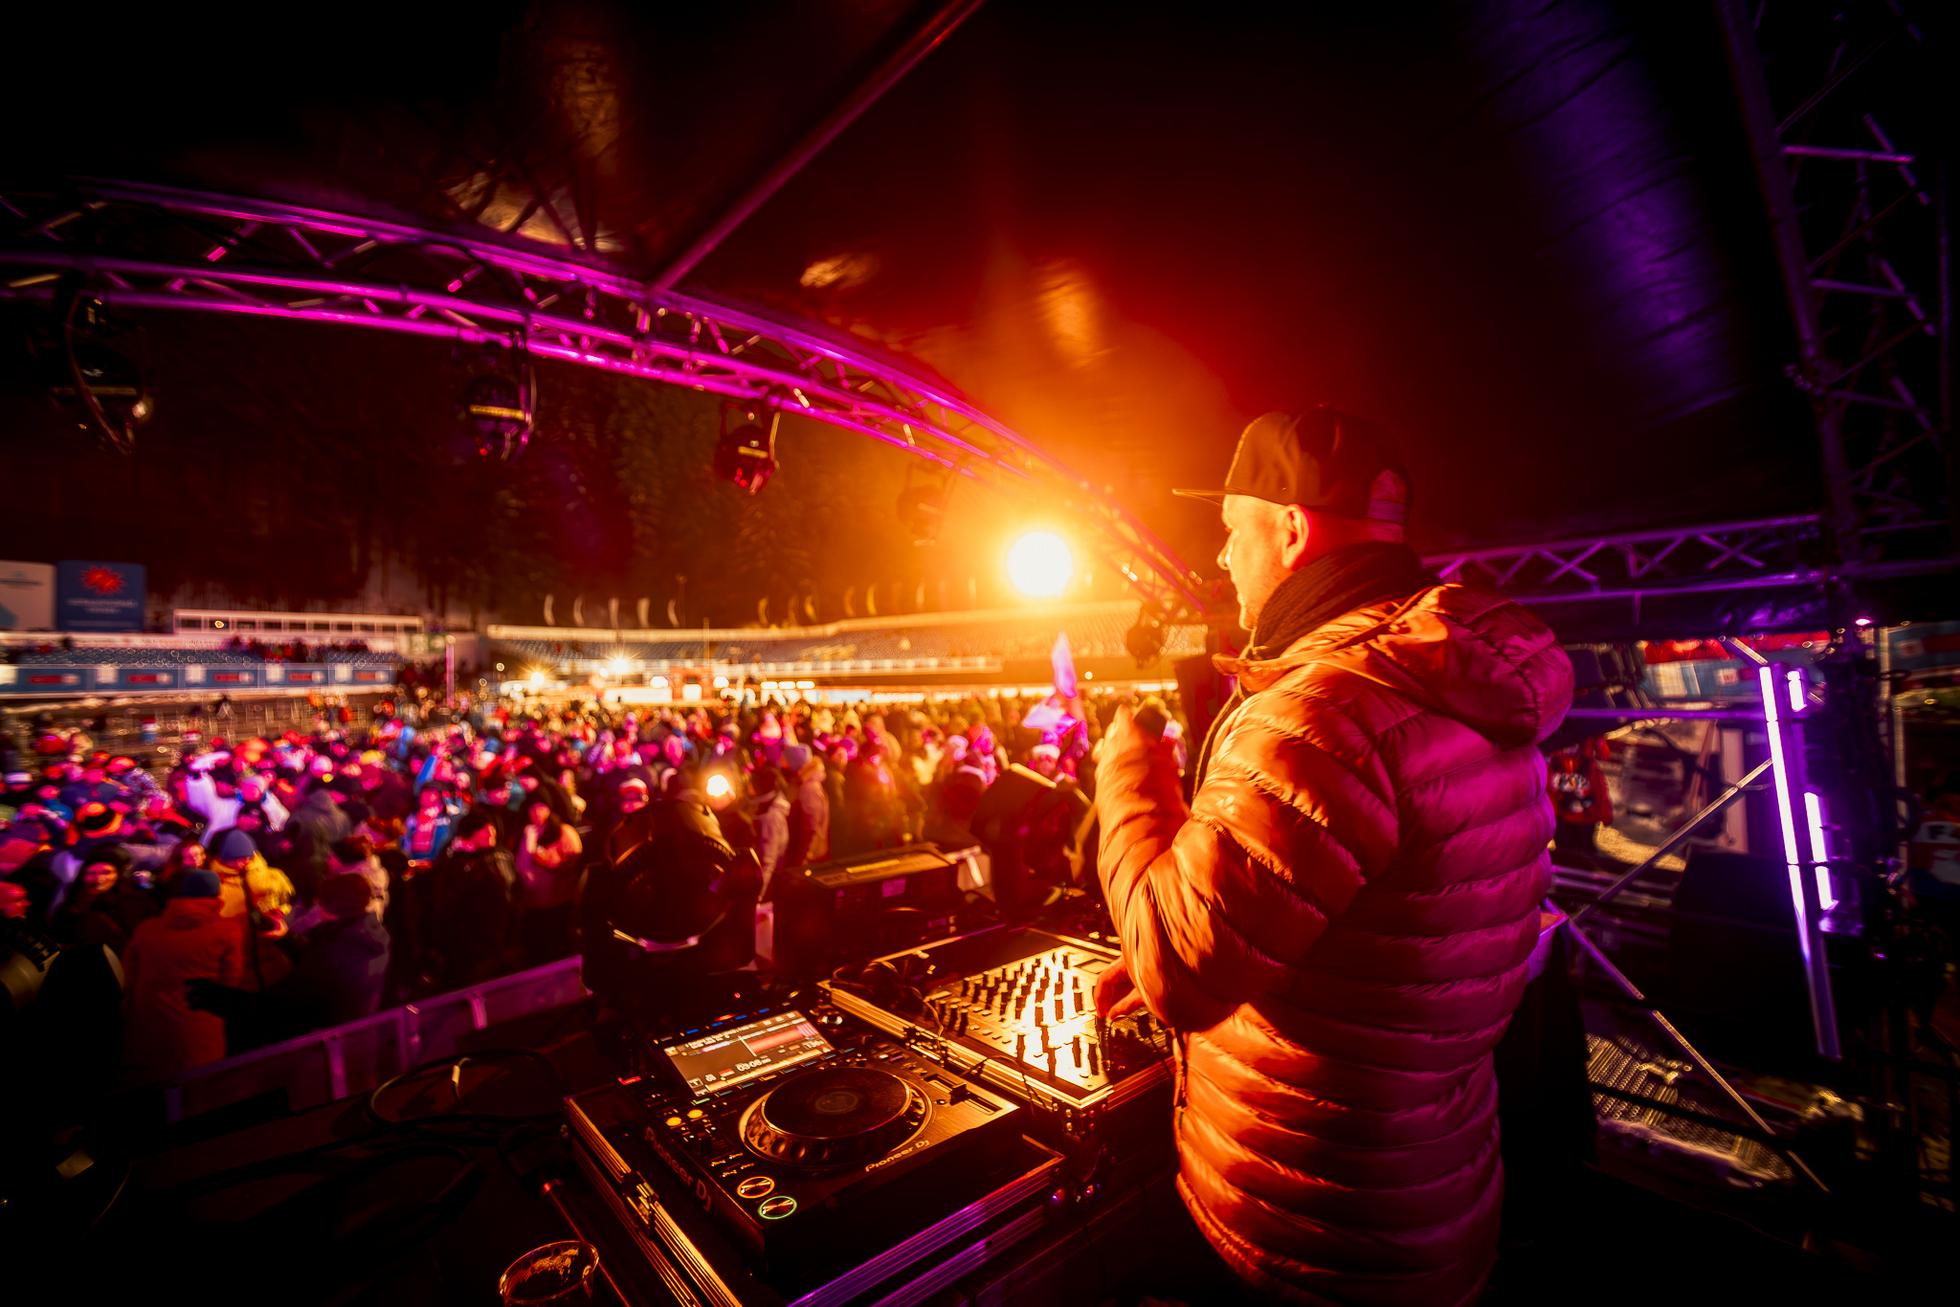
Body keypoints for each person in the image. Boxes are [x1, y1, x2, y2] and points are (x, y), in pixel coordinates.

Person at [1094, 408, 1573, 1306]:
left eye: (1232, 529)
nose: (1222, 556)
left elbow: (1177, 968)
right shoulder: (1445, 679)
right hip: (1428, 1185)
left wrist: (1127, 773)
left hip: (1318, 1222)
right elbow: (1390, 942)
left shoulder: (1321, 714)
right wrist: (1242, 940)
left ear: (1290, 529)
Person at [121, 868, 248, 1079]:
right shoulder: (228, 930)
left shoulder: (147, 928)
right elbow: (231, 981)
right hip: (200, 1024)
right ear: (216, 894)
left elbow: (128, 976)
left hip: (148, 1024)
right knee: (198, 1086)